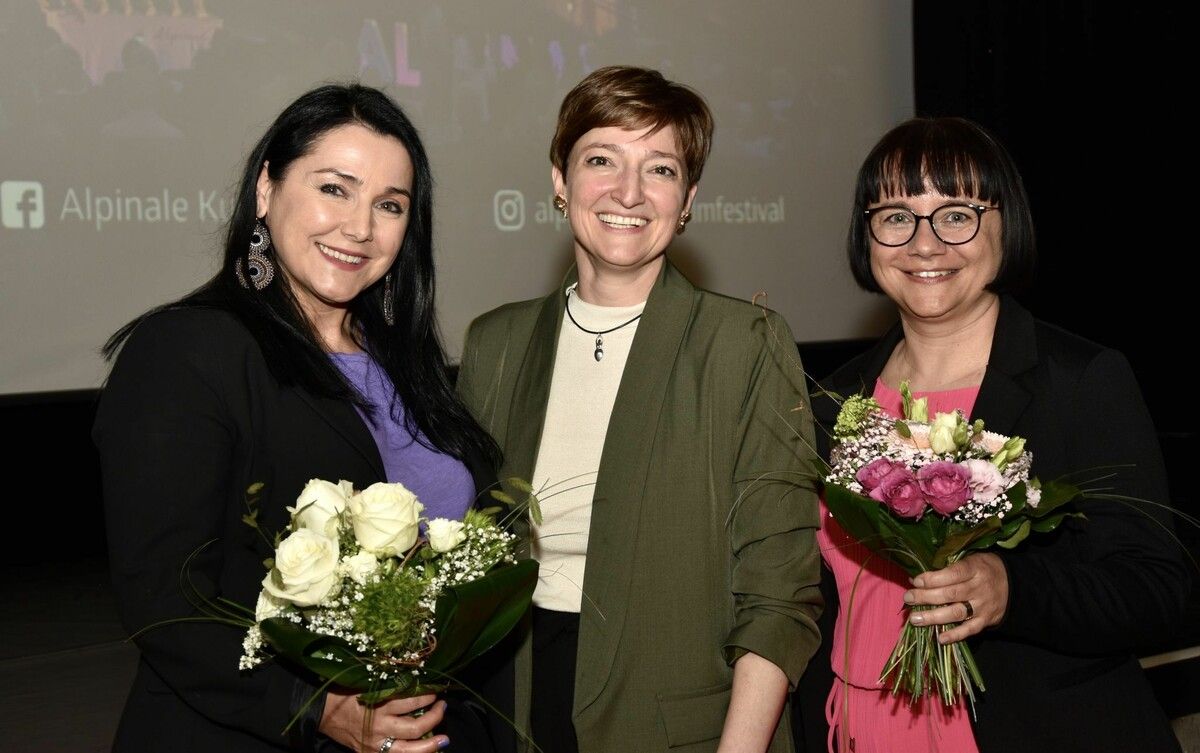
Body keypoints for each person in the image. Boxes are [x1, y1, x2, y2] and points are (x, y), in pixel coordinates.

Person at [94, 84, 503, 753]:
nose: (360, 227)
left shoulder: (408, 363)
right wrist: (316, 706)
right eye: (334, 189)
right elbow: (164, 598)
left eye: (390, 205)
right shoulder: (188, 351)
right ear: (266, 189)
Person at [792, 116, 1190, 753]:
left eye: (957, 215)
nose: (924, 244)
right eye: (895, 216)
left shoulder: (1078, 380)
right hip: (858, 730)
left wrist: (1013, 590)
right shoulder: (831, 401)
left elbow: (1157, 588)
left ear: (1009, 225)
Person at [455, 65, 823, 753]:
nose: (629, 192)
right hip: (518, 708)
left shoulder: (744, 343)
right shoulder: (495, 343)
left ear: (687, 201)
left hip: (682, 731)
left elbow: (779, 593)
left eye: (660, 169)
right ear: (560, 180)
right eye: (602, 160)